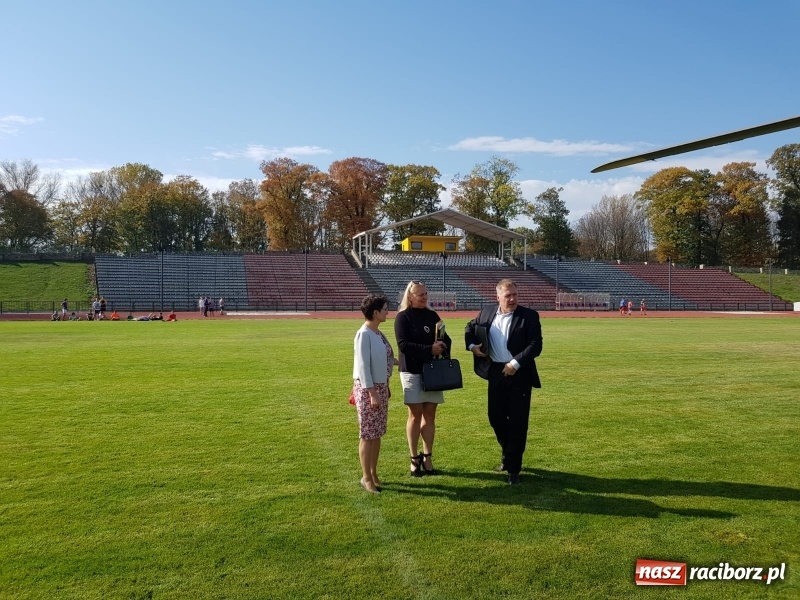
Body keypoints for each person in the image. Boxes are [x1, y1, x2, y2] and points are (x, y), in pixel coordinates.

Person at [464, 278, 543, 485]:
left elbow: (536, 345)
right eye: (508, 295)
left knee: (518, 421)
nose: (512, 299)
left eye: (515, 294)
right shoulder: (487, 312)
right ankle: (508, 455)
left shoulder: (529, 316)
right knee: (495, 418)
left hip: (520, 374)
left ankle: (513, 468)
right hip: (496, 372)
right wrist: (472, 346)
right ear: (497, 296)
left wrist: (515, 363)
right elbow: (469, 328)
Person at [394, 281, 451, 477]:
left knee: (430, 416)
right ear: (409, 297)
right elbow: (403, 345)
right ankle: (413, 458)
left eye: (426, 294)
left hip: (432, 371)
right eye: (420, 294)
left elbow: (445, 337)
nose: (424, 297)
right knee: (414, 416)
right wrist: (429, 349)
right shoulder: (402, 317)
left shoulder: (432, 315)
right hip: (412, 371)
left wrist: (442, 345)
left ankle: (427, 456)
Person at [352, 294, 396, 494]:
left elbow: (386, 358)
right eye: (385, 308)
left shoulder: (378, 333)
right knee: (367, 435)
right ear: (375, 312)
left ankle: (373, 472)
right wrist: (372, 393)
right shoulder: (364, 334)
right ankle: (366, 477)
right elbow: (363, 366)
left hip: (380, 387)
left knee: (377, 434)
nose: (388, 311)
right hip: (368, 389)